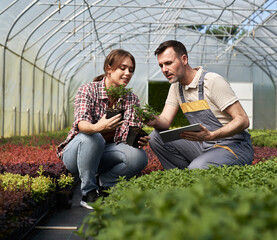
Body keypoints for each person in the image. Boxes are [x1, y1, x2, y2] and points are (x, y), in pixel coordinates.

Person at [56, 49, 149, 210]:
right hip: (77, 156)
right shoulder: (88, 90)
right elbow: (81, 123)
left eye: (131, 70)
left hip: (104, 155)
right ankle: (88, 192)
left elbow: (128, 134)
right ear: (108, 68)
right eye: (123, 68)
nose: (128, 73)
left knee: (139, 157)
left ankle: (106, 184)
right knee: (92, 136)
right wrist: (98, 127)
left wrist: (138, 139)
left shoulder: (131, 98)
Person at [147, 40, 253, 170]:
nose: (164, 70)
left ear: (184, 59)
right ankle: (180, 177)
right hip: (205, 145)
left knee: (197, 168)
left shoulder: (212, 81)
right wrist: (147, 118)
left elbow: (243, 120)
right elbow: (164, 121)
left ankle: (195, 171)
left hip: (234, 146)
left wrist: (212, 135)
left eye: (168, 63)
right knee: (156, 138)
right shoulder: (176, 87)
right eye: (161, 65)